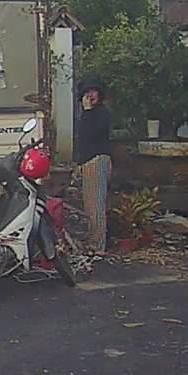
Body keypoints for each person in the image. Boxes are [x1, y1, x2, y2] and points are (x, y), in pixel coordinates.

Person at [75, 77, 112, 253]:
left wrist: (88, 111)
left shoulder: (100, 113)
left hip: (97, 160)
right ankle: (93, 242)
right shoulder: (87, 114)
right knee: (90, 205)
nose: (91, 95)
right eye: (87, 92)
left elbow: (91, 134)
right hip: (89, 162)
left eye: (94, 91)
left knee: (95, 206)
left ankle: (97, 245)